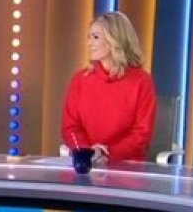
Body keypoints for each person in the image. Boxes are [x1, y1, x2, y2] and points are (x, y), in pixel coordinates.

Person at [61, 11, 156, 164]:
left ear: (114, 40)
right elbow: (70, 128)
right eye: (89, 37)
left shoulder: (142, 81)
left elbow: (141, 135)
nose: (89, 43)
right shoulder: (80, 80)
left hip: (127, 166)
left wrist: (108, 153)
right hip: (87, 163)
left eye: (95, 37)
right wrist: (88, 152)